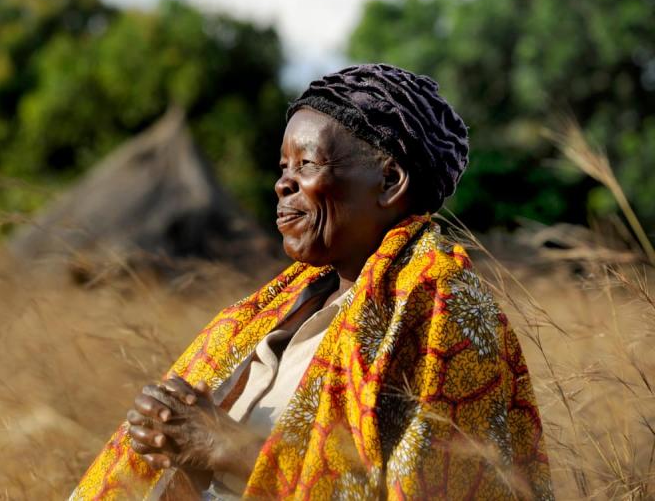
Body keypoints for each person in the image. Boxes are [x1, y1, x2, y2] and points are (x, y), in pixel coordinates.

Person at [70, 64, 553, 500]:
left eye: (306, 165)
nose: (283, 184)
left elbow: (427, 490)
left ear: (389, 182)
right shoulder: (276, 309)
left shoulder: (441, 307)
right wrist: (168, 447)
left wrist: (224, 445)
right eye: (283, 168)